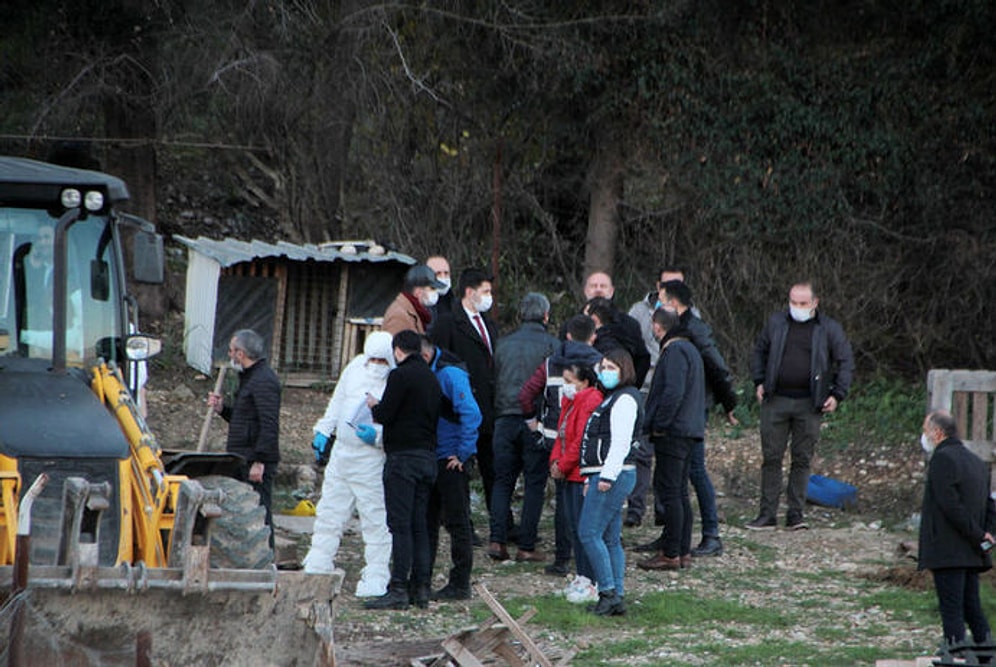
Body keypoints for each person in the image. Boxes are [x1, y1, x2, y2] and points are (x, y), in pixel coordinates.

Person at [747, 281, 854, 531]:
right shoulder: (776, 323)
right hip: (776, 399)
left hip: (810, 402)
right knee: (771, 457)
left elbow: (845, 361)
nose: (797, 307)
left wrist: (838, 394)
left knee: (802, 459)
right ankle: (767, 513)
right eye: (793, 302)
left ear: (815, 303)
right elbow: (759, 352)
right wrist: (759, 381)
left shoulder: (829, 329)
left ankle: (796, 514)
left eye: (803, 303)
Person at [302, 331, 394, 598]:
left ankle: (376, 573)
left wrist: (378, 437)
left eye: (381, 360)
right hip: (342, 454)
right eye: (372, 358)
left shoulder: (396, 379)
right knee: (330, 509)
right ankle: (319, 559)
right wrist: (324, 430)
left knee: (375, 517)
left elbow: (400, 422)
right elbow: (337, 403)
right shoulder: (354, 368)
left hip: (371, 459)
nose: (375, 364)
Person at [652, 279, 737, 557]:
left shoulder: (691, 332)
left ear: (673, 305)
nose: (657, 304)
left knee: (694, 471)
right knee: (678, 478)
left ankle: (711, 533)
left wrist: (729, 403)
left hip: (690, 410)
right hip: (690, 408)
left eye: (661, 299)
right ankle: (672, 537)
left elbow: (717, 367)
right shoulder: (681, 331)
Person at [518, 314, 602, 575]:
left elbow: (525, 395)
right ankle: (587, 559)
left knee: (562, 504)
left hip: (555, 440)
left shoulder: (550, 362)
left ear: (566, 336)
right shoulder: (600, 365)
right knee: (585, 504)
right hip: (588, 443)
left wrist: (534, 424)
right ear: (593, 336)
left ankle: (562, 558)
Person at [364, 330, 442, 610]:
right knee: (419, 525)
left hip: (403, 459)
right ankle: (421, 588)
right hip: (427, 459)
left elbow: (386, 415)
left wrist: (375, 406)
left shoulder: (400, 376)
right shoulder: (432, 378)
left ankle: (398, 587)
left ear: (397, 350)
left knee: (400, 526)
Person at [487, 292, 557, 562]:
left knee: (502, 481)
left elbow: (494, 380)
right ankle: (526, 545)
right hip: (534, 420)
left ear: (520, 315)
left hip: (504, 418)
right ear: (546, 316)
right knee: (534, 483)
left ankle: (497, 540)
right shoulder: (552, 345)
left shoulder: (502, 345)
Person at [431, 268, 500, 537]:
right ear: (469, 292)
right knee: (460, 469)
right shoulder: (448, 323)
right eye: (485, 292)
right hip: (459, 408)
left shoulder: (488, 324)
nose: (489, 297)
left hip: (487, 409)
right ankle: (461, 524)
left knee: (492, 468)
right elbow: (440, 363)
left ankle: (499, 526)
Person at [919, 410, 995, 652]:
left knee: (951, 609)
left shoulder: (942, 459)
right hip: (972, 551)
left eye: (925, 431)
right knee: (972, 606)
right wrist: (986, 535)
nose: (924, 437)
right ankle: (986, 651)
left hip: (949, 549)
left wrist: (976, 533)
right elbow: (990, 503)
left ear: (938, 433)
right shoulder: (975, 461)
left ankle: (956, 653)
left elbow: (949, 504)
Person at [636, 309, 705, 571]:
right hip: (689, 430)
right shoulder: (691, 350)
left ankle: (671, 552)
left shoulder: (674, 352)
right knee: (679, 492)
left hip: (674, 432)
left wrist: (659, 425)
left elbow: (672, 392)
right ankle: (682, 550)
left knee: (670, 491)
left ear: (657, 327)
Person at [577, 348, 642, 616]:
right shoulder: (613, 397)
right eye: (603, 367)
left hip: (612, 474)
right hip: (605, 473)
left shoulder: (624, 399)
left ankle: (607, 592)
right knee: (610, 538)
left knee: (589, 533)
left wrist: (606, 476)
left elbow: (620, 443)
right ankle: (617, 595)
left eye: (611, 367)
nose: (605, 372)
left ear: (624, 369)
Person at [420, 335, 481, 601]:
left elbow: (471, 413)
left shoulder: (450, 374)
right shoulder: (432, 371)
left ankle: (460, 583)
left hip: (450, 459)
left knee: (457, 522)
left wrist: (463, 453)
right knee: (428, 521)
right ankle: (423, 578)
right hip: (434, 456)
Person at [207, 329, 281, 548]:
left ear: (240, 354)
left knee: (259, 513)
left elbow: (269, 425)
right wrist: (222, 409)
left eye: (231, 351)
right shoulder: (250, 379)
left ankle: (265, 561)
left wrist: (260, 461)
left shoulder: (263, 381)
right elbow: (245, 420)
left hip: (254, 460)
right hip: (242, 457)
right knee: (244, 514)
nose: (229, 356)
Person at [549, 361, 602, 582]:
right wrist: (554, 461)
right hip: (568, 472)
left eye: (570, 381)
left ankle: (589, 577)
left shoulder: (589, 401)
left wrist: (562, 465)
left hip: (579, 473)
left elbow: (581, 439)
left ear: (585, 382)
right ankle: (582, 577)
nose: (565, 385)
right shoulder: (570, 401)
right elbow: (561, 435)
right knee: (573, 526)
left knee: (583, 529)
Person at [560, 272, 650, 386]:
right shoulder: (570, 325)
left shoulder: (629, 324)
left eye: (603, 286)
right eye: (593, 286)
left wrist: (630, 385)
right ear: (585, 290)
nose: (598, 290)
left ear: (611, 291)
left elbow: (642, 359)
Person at [382, 264, 445, 335]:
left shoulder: (415, 312)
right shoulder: (399, 316)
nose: (435, 292)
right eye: (432, 288)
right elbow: (396, 345)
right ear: (418, 291)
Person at [425, 255, 455, 331]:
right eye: (438, 273)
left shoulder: (456, 304)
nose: (443, 277)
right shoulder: (419, 306)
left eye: (446, 273)